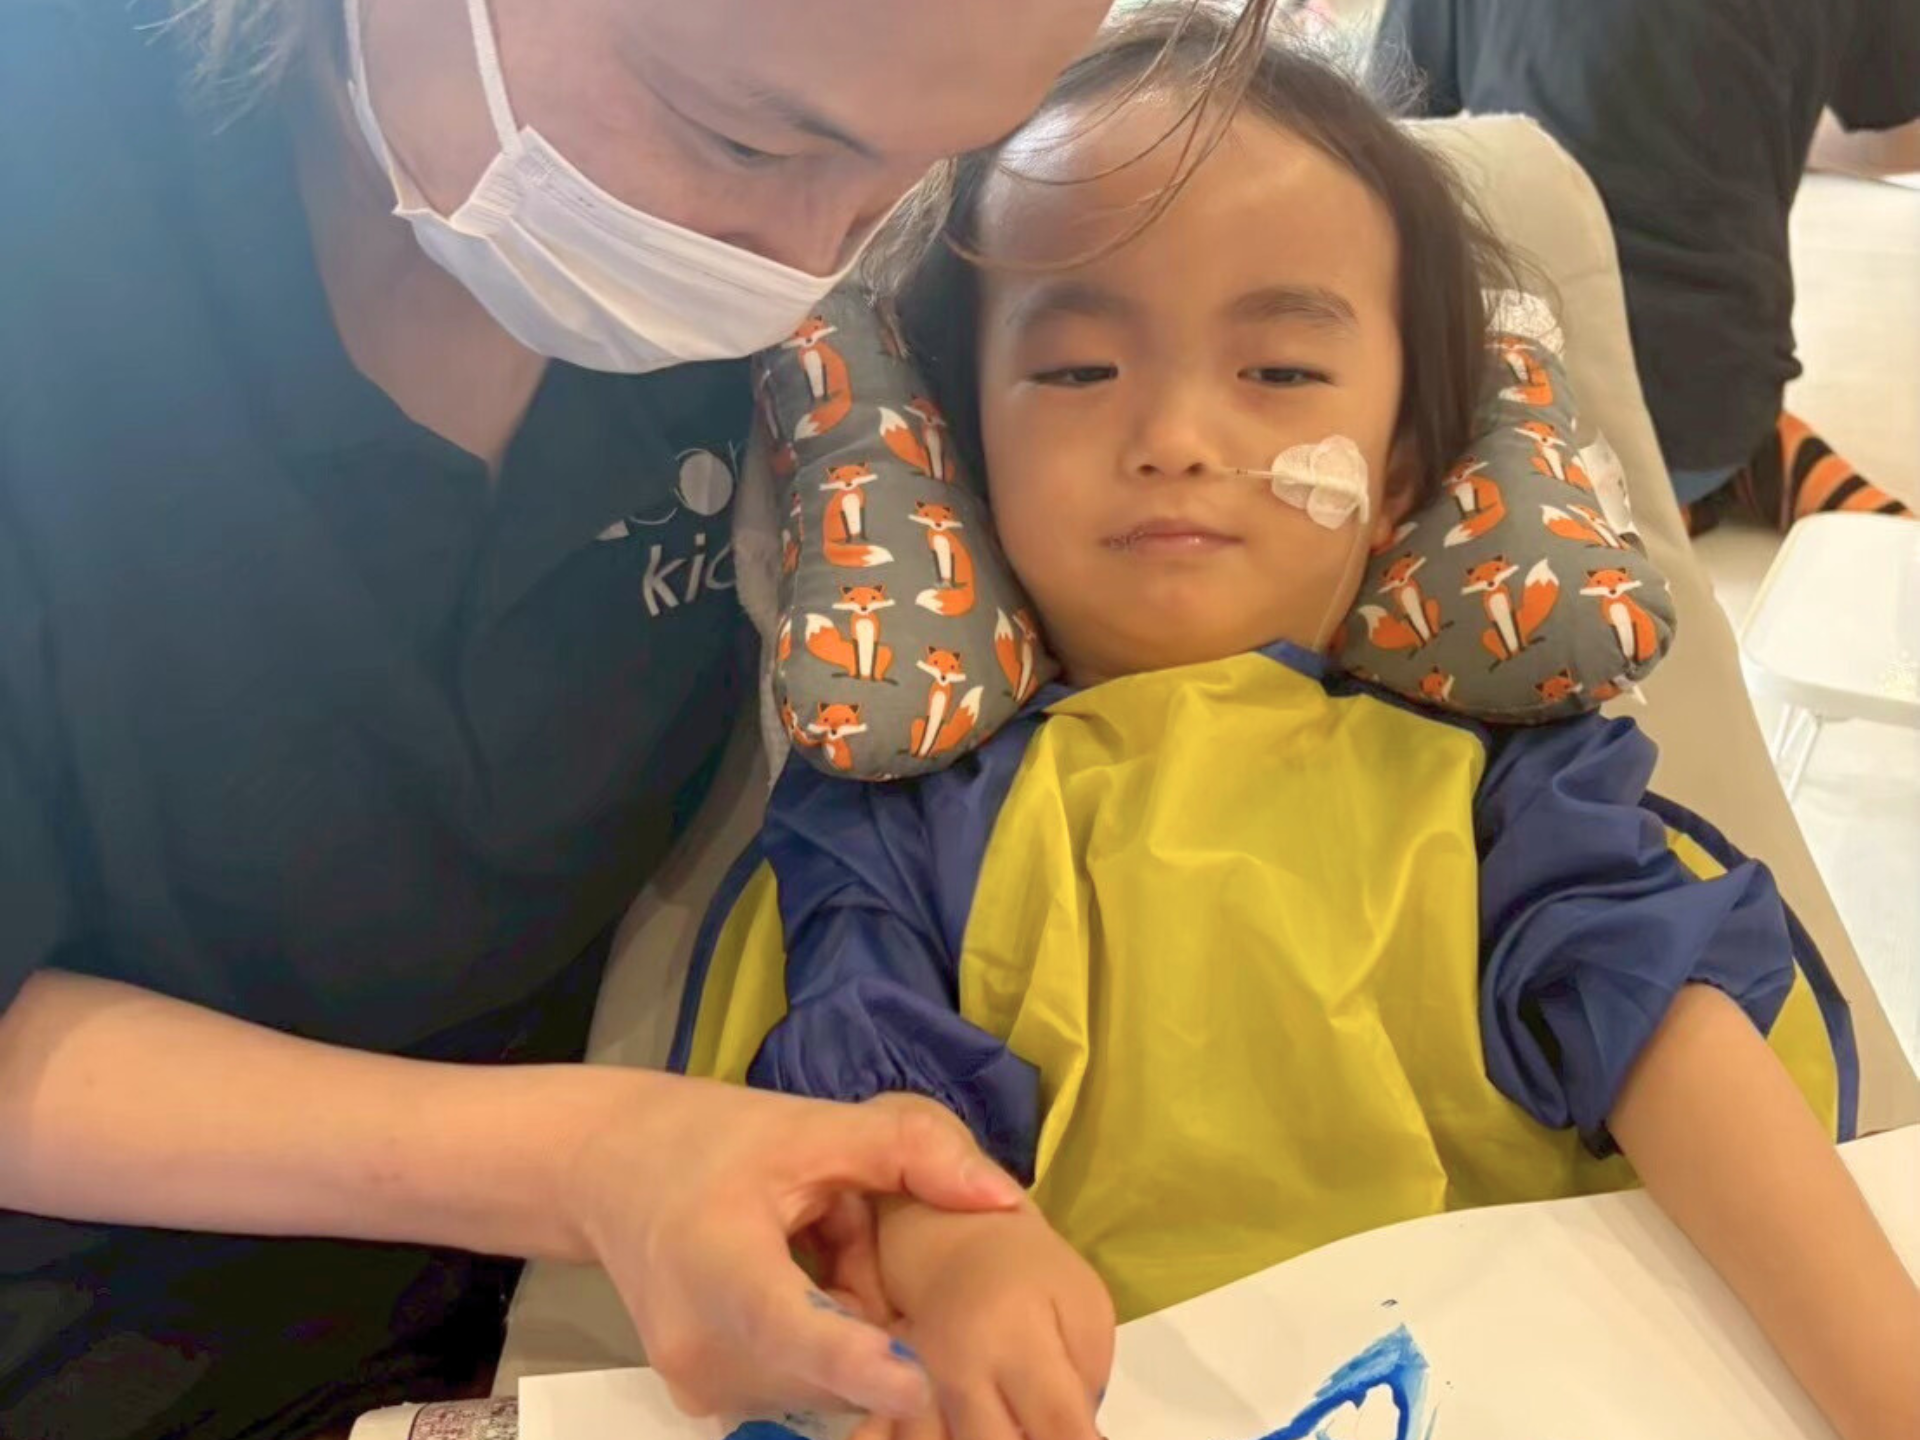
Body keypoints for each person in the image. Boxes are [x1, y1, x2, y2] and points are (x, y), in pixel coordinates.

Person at [677, 14, 1920, 1440]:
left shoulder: (1510, 788)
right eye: (1077, 373)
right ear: (968, 449)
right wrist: (952, 1256)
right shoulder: (904, 816)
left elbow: (1673, 1042)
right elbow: (861, 1084)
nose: (1174, 438)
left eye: (1277, 374)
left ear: (1397, 476)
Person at [0, 0, 1192, 1432]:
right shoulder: (55, 191)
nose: (800, 270)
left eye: (913, 175)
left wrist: (866, 1194)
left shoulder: (811, 358)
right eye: (744, 141)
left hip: (562, 1299)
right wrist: (590, 1160)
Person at [1371, 0, 1920, 536]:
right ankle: (1718, 475)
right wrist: (1778, 117)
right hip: (1726, 397)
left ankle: (1665, 497)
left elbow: (1385, 136)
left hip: (1536, 419)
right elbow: (1904, 144)